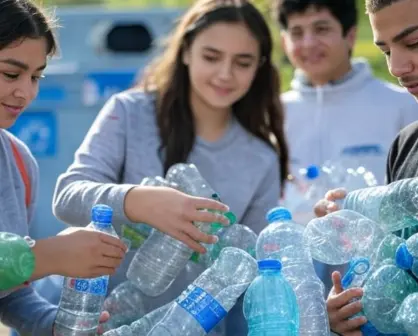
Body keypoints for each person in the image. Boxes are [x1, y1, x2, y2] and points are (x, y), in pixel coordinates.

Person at [50, 0, 288, 334]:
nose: (225, 74)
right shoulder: (130, 112)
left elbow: (251, 272)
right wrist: (139, 202)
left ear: (260, 66)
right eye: (211, 56)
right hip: (97, 320)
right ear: (186, 51)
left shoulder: (260, 156)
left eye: (243, 62)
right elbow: (67, 197)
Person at [0, 0, 129, 334]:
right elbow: (31, 262)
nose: (24, 92)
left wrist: (55, 324)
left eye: (36, 76)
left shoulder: (19, 162)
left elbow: (10, 292)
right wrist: (46, 256)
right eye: (11, 74)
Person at [315, 0, 418, 334]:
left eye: (414, 43)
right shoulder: (405, 146)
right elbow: (396, 277)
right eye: (386, 51)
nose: (397, 67)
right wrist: (356, 310)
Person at [276, 0, 417, 185]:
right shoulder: (272, 114)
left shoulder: (403, 104)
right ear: (283, 41)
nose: (308, 43)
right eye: (296, 33)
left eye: (321, 29)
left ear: (350, 35)